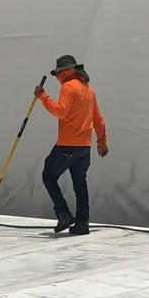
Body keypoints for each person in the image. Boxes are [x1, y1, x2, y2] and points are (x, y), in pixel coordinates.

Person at [36, 55, 108, 235]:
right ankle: (82, 223)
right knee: (80, 184)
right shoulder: (88, 90)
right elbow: (98, 119)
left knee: (48, 175)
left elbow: (60, 111)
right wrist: (101, 141)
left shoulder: (68, 87)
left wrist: (42, 96)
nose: (57, 77)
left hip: (68, 145)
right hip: (85, 148)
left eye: (57, 73)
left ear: (64, 71)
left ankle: (63, 213)